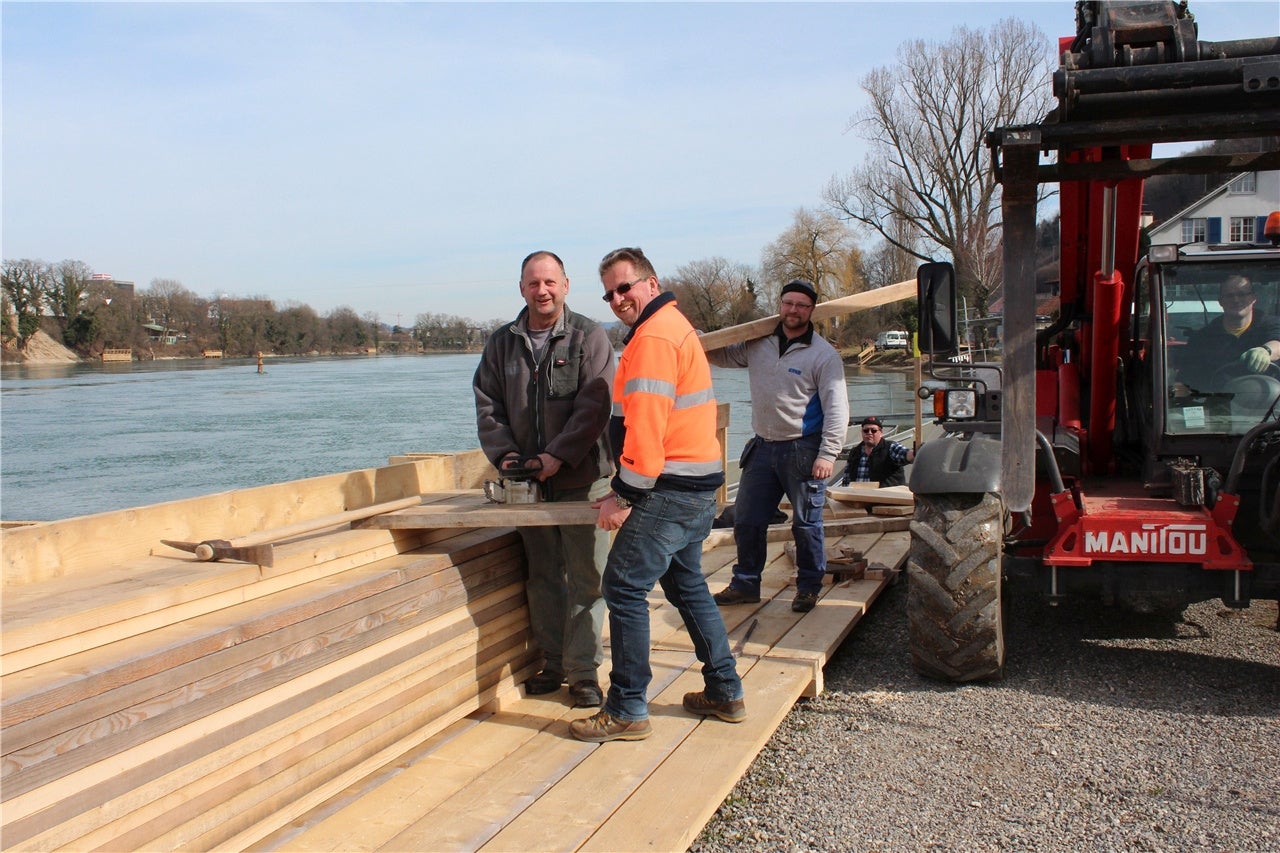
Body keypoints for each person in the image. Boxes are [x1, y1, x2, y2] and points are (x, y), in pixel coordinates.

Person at [569, 246, 745, 743]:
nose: (617, 298)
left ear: (650, 283)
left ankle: (626, 708)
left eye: (625, 287)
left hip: (669, 488)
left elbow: (645, 432)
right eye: (608, 293)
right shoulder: (675, 327)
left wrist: (620, 498)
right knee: (687, 585)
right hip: (697, 486)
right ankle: (725, 690)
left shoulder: (652, 338)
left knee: (622, 586)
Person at [473, 250, 615, 709]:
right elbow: (487, 405)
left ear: (566, 285)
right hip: (528, 487)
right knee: (543, 578)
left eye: (550, 282)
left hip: (583, 480)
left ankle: (583, 673)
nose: (543, 291)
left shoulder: (589, 338)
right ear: (521, 289)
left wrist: (558, 456)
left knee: (587, 580)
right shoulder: (500, 345)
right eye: (534, 283)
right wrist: (507, 455)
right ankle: (551, 663)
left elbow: (595, 408)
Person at [706, 280, 849, 614]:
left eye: (801, 305)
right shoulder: (760, 343)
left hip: (803, 449)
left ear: (811, 310)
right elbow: (726, 355)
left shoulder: (823, 356)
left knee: (806, 523)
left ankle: (808, 588)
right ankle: (745, 584)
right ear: (780, 305)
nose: (793, 310)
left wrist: (828, 454)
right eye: (788, 303)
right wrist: (700, 340)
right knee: (747, 519)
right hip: (763, 446)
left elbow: (838, 408)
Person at [1175, 275, 1280, 392]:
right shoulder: (1202, 339)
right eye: (1229, 296)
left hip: (1270, 407)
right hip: (1219, 406)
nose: (1236, 300)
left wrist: (1266, 351)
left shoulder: (1269, 324)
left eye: (1242, 294)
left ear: (1253, 298)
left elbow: (1278, 342)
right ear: (1220, 301)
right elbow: (1184, 382)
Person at [840, 415, 914, 487]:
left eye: (873, 430)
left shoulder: (891, 447)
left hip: (885, 497)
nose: (869, 433)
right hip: (859, 496)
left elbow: (905, 454)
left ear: (881, 433)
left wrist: (915, 452)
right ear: (862, 432)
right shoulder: (854, 452)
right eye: (866, 430)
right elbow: (846, 480)